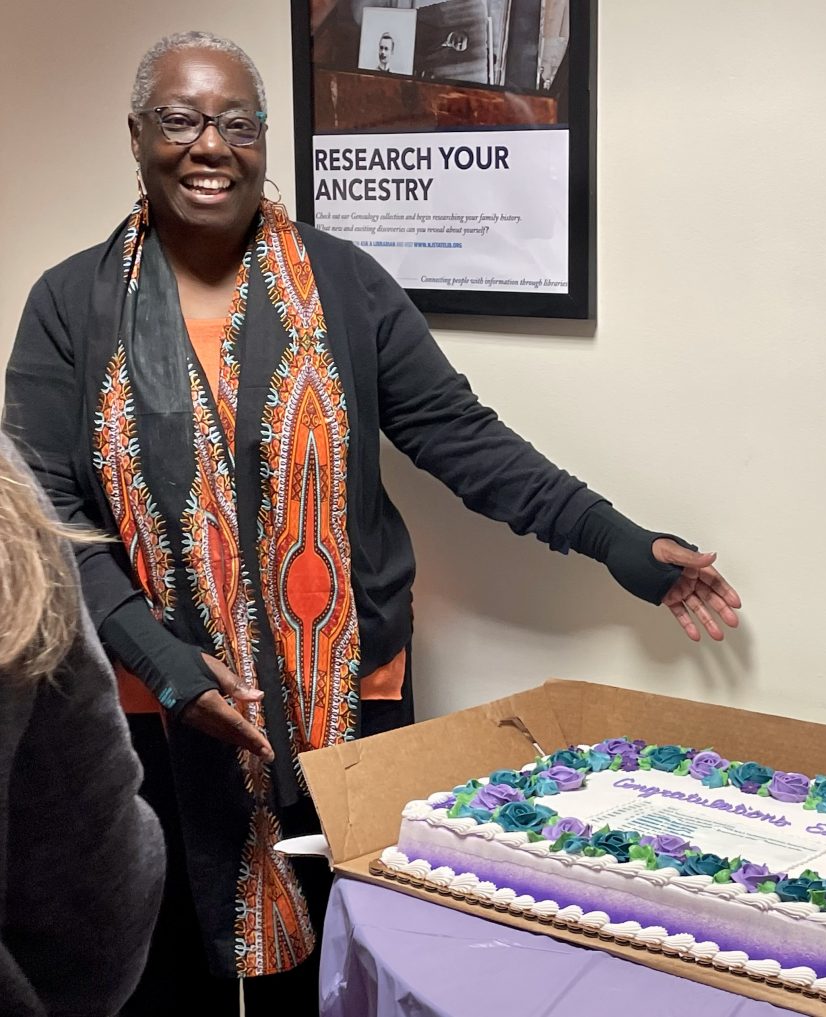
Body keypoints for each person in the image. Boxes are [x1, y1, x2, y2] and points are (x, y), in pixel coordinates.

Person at [3, 30, 740, 1016]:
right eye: (180, 120)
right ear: (138, 135)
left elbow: (463, 441)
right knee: (172, 962)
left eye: (236, 122)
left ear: (265, 142)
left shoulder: (345, 286)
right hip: (157, 708)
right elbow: (46, 513)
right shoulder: (69, 303)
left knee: (353, 947)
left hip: (350, 698)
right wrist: (155, 652)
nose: (208, 144)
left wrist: (614, 540)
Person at [0, 434, 165, 1017]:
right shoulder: (8, 494)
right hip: (161, 705)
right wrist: (170, 671)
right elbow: (90, 868)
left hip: (338, 687)